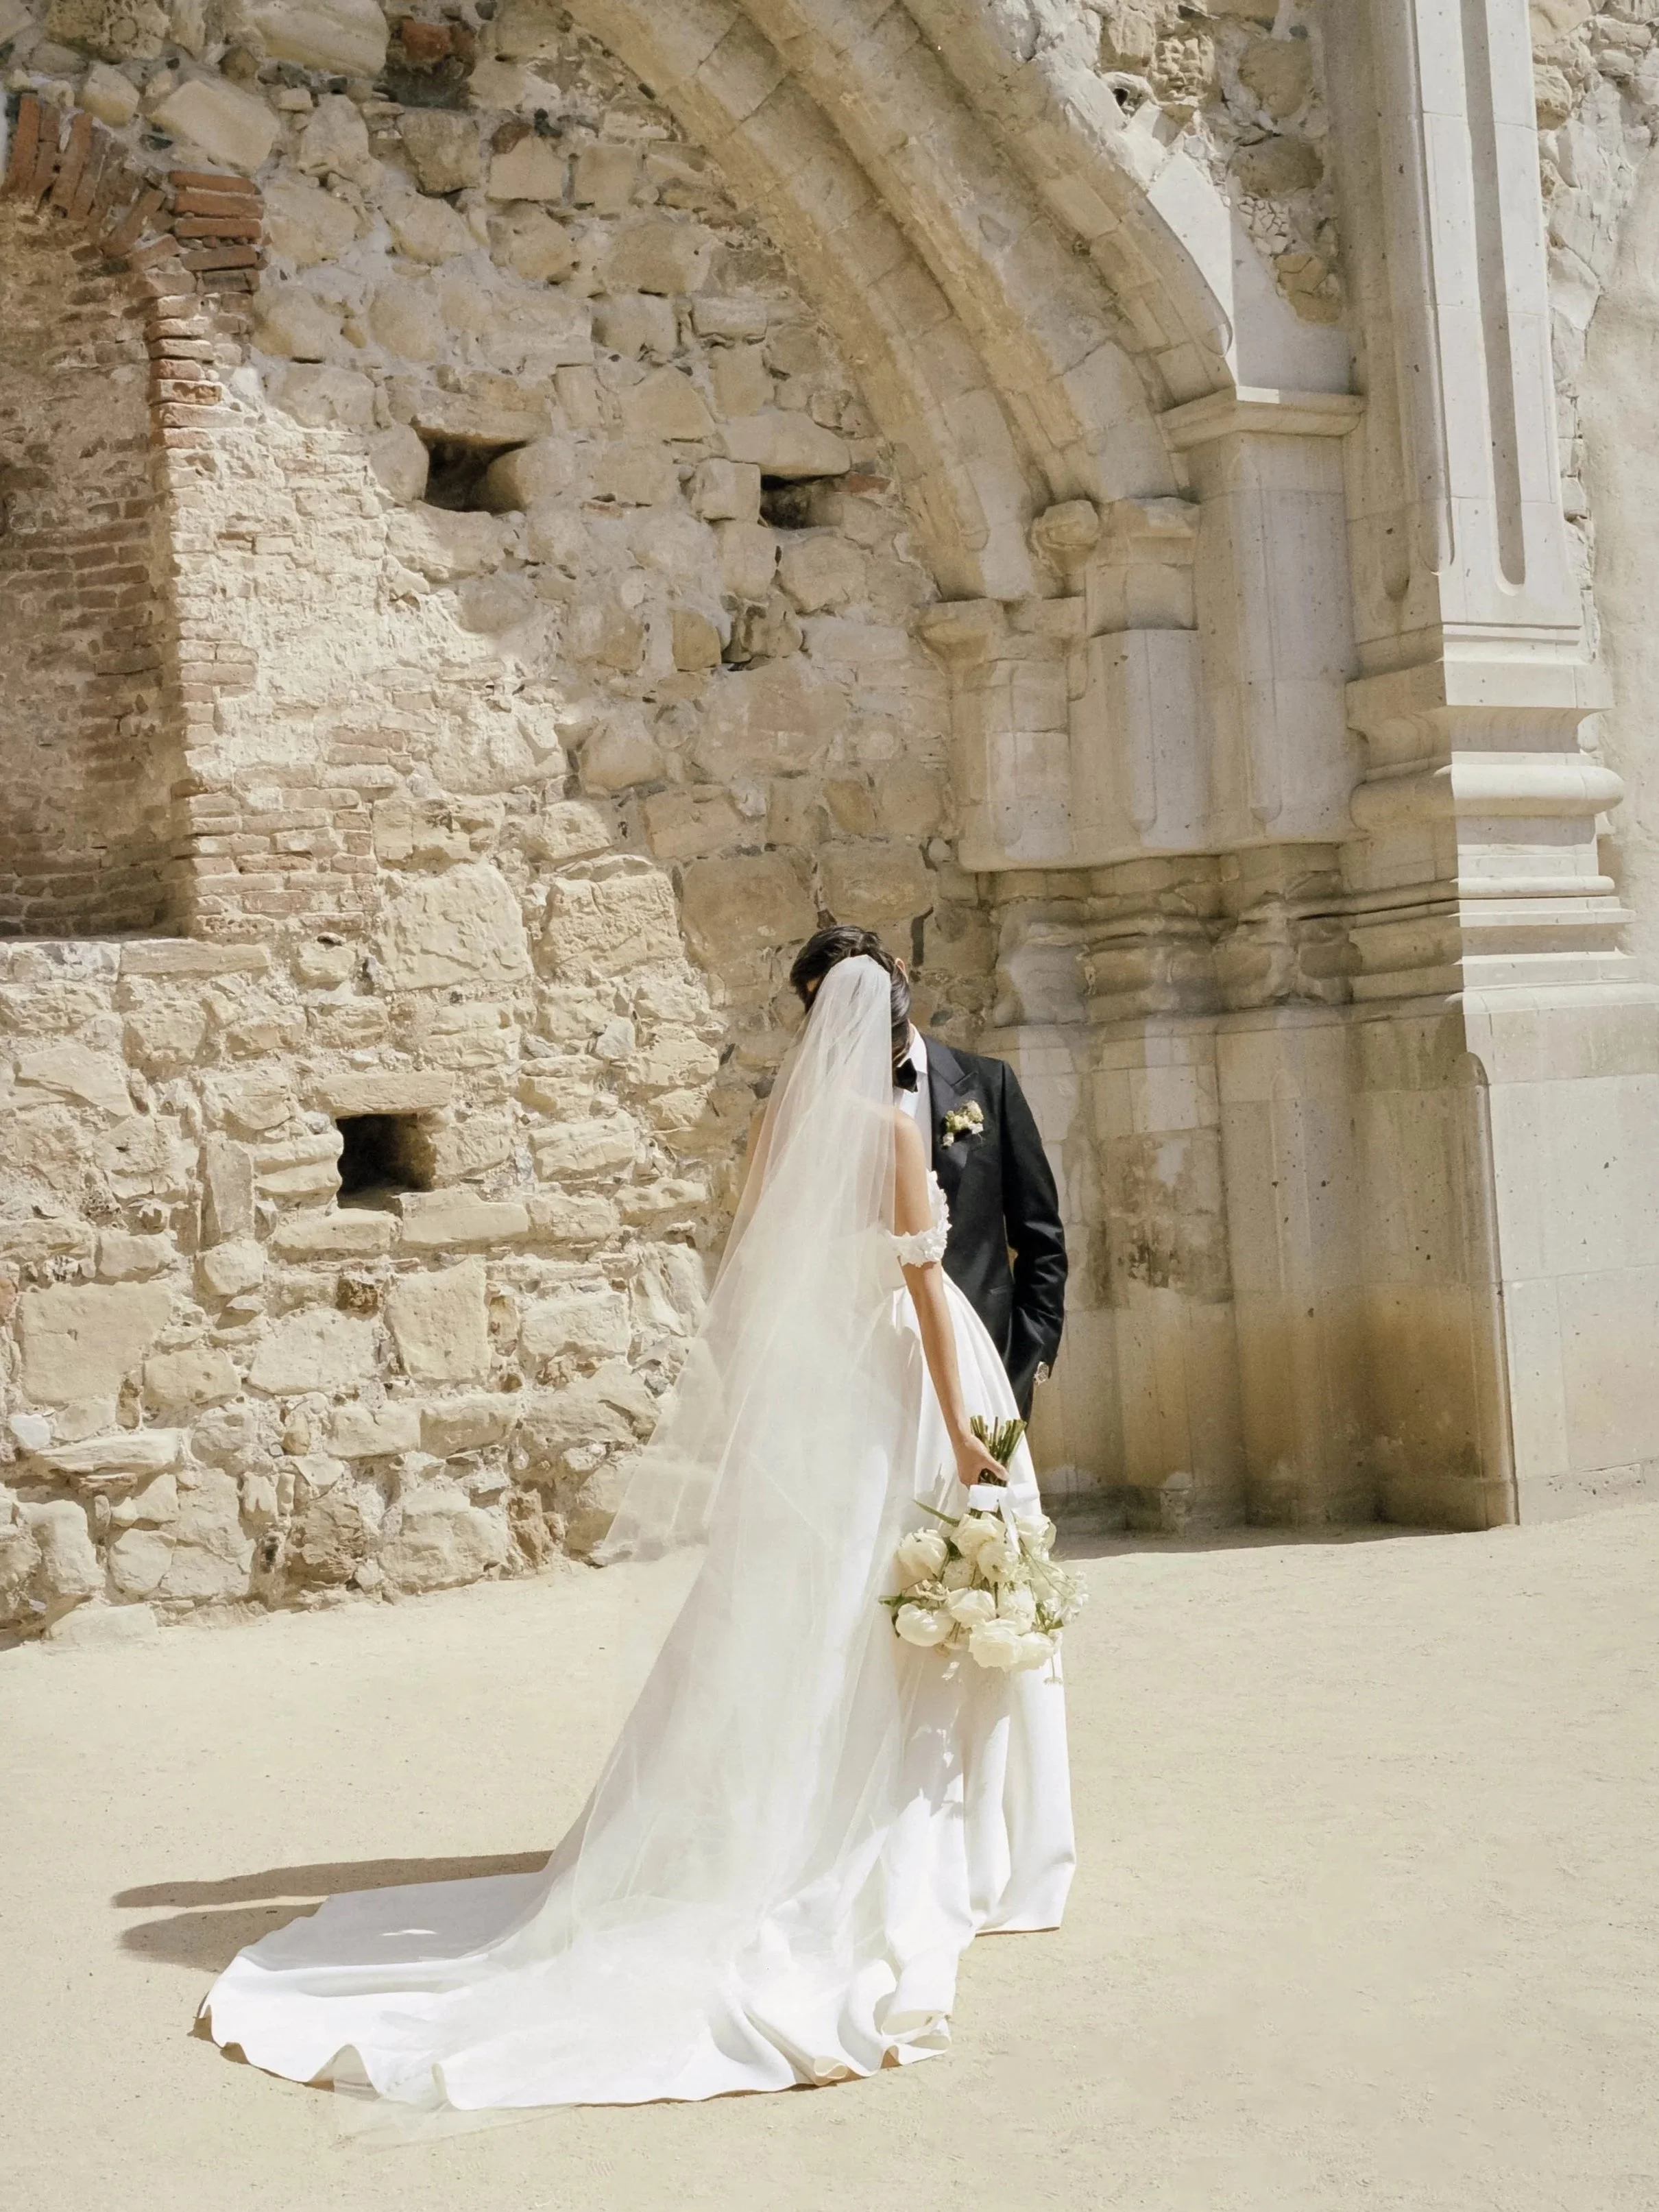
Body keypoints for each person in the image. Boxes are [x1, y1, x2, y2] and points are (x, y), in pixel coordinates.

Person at [202, 954, 1074, 2113]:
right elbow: (924, 1284)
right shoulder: (896, 1135)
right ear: (898, 1015)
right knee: (920, 1586)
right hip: (915, 1372)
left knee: (813, 1607)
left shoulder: (784, 1125)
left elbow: (760, 1263)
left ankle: (774, 1816)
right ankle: (930, 1846)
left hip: (830, 1390)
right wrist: (971, 1437)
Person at [789, 924, 1068, 1417]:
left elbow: (1041, 1235)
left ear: (899, 974)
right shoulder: (813, 1116)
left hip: (983, 1367)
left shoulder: (989, 1083)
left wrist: (1027, 1360)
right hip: (856, 1380)